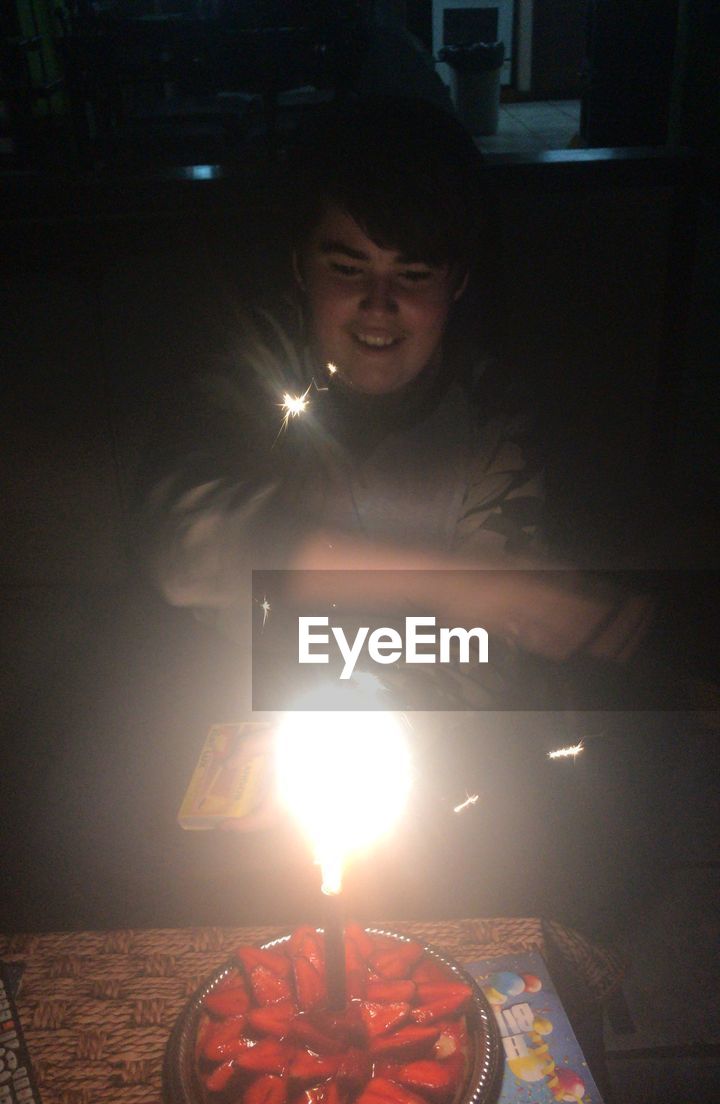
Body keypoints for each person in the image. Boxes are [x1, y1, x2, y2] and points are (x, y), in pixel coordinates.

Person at [139, 95, 652, 717]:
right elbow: (188, 546)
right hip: (233, 721)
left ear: (456, 281)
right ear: (300, 267)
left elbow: (486, 644)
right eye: (348, 268)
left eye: (411, 275)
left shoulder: (489, 412)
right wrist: (441, 582)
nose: (377, 305)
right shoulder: (252, 373)